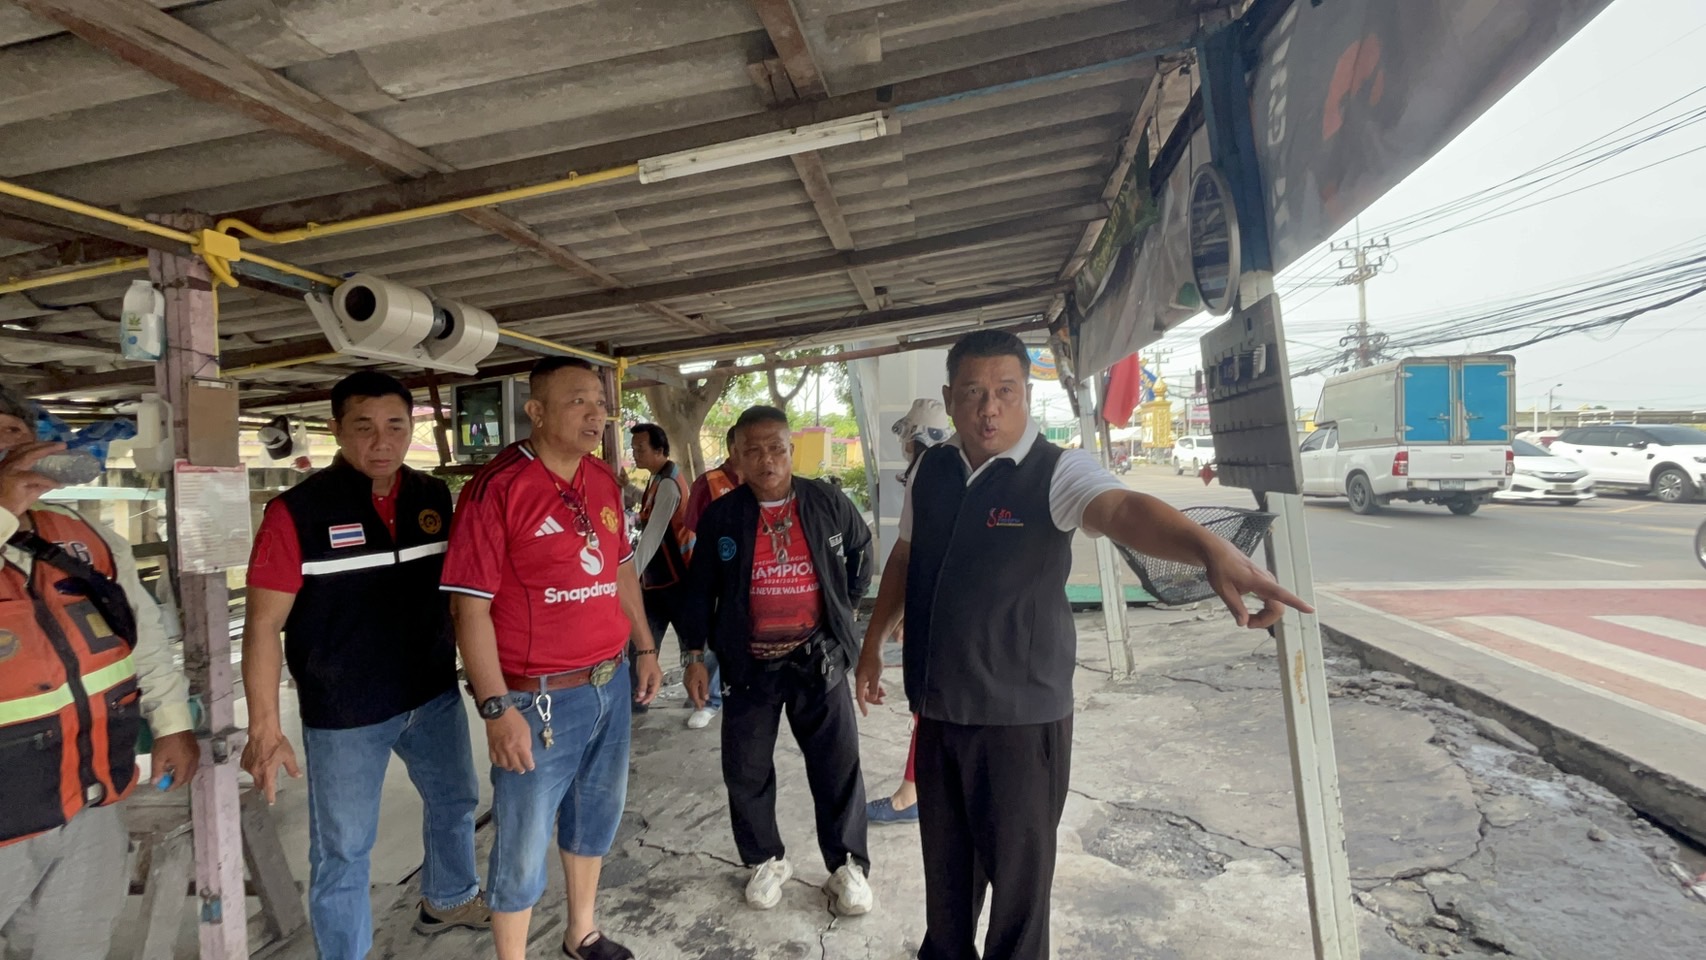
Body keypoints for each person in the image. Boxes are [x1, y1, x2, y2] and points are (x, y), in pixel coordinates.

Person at [853, 331, 1311, 960]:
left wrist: (1208, 549)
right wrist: (872, 644)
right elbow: (906, 556)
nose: (989, 409)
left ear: (1027, 394)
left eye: (1006, 392)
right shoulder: (930, 470)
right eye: (974, 393)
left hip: (1020, 725)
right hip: (937, 713)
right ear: (949, 397)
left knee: (1018, 901)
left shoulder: (1058, 472)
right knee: (947, 892)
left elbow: (1122, 509)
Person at [241, 371, 489, 959]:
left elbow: (464, 596)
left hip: (431, 693)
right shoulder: (296, 512)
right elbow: (262, 626)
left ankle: (449, 897)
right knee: (344, 850)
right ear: (336, 429)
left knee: (456, 801)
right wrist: (265, 727)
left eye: (395, 427)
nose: (382, 442)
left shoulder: (433, 497)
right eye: (364, 427)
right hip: (345, 712)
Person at [441, 357, 664, 960]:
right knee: (521, 840)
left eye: (600, 403)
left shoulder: (602, 479)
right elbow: (469, 610)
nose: (595, 414)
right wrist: (495, 708)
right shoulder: (497, 488)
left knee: (596, 815)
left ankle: (580, 932)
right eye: (578, 401)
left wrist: (644, 646)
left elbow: (621, 571)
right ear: (536, 411)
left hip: (608, 683)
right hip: (535, 698)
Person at [0, 385, 199, 960]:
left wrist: (172, 723)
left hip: (89, 795)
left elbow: (142, 633)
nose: (7, 448)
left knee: (79, 941)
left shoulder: (81, 534)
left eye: (14, 433)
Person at [679, 405, 876, 917]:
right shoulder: (723, 516)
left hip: (819, 660)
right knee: (745, 770)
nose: (767, 460)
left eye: (776, 448)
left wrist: (846, 606)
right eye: (753, 450)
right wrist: (694, 654)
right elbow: (698, 590)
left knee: (837, 766)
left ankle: (847, 866)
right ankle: (764, 860)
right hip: (749, 665)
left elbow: (862, 549)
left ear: (791, 450)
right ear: (736, 456)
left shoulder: (826, 500)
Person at [864, 398, 952, 828]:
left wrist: (907, 615)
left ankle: (910, 795)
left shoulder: (926, 473)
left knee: (928, 706)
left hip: (939, 614)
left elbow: (914, 554)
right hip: (941, 610)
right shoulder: (951, 469)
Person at [629, 423, 716, 727]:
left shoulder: (668, 484)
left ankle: (703, 701)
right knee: (641, 642)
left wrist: (629, 576)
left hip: (679, 580)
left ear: (660, 450)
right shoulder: (658, 478)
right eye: (633, 447)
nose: (634, 453)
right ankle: (636, 701)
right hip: (656, 581)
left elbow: (653, 535)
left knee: (692, 646)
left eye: (640, 448)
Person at [684, 427, 741, 532]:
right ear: (734, 450)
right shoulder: (706, 483)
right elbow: (693, 529)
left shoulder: (763, 481)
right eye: (754, 449)